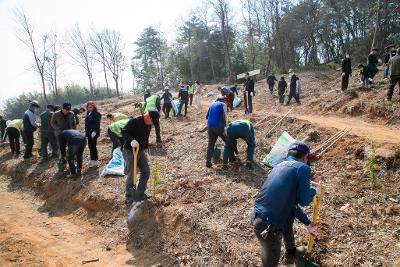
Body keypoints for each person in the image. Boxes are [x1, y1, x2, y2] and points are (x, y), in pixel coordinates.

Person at [251, 141, 319, 267]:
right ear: (305, 157)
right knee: (269, 263)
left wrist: (308, 223)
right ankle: (289, 254)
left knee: (286, 220)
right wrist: (314, 191)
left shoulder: (278, 166)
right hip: (269, 225)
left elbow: (291, 206)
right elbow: (304, 201)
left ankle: (291, 253)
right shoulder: (303, 168)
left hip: (257, 216)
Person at [121, 111, 160, 203]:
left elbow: (145, 137)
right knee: (132, 173)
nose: (153, 124)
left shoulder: (148, 124)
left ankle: (139, 192)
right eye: (152, 121)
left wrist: (144, 148)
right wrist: (131, 140)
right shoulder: (134, 121)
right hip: (130, 151)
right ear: (148, 117)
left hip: (141, 151)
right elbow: (124, 131)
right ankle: (129, 195)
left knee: (146, 171)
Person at [205, 100, 227, 168]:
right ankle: (232, 159)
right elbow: (225, 116)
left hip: (210, 126)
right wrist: (225, 127)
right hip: (219, 126)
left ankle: (208, 162)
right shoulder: (223, 104)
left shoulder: (212, 104)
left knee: (211, 144)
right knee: (228, 141)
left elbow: (207, 116)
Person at [85, 101, 101, 168]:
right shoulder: (88, 113)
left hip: (93, 133)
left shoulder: (96, 114)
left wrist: (94, 131)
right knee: (90, 146)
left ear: (94, 107)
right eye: (88, 107)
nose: (89, 108)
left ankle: (96, 160)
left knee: (93, 146)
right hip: (89, 133)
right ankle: (92, 159)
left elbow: (97, 123)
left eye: (91, 107)